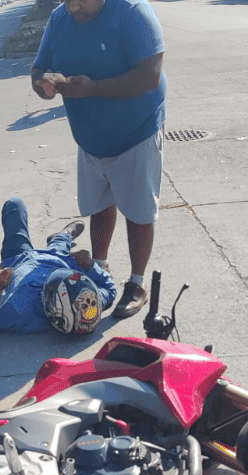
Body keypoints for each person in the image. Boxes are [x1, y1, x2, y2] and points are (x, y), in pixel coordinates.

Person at [30, 0, 166, 320]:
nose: (73, 6)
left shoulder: (132, 13)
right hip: (90, 140)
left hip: (137, 131)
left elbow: (149, 76)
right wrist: (44, 85)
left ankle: (136, 283)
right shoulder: (59, 19)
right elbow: (39, 68)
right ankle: (99, 270)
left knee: (137, 209)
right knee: (100, 204)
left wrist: (92, 89)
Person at [0, 197, 116, 333]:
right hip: (58, 257)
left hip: (17, 259)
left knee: (14, 204)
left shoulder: (20, 310)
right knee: (59, 245)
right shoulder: (90, 304)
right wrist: (90, 266)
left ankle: (61, 237)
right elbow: (110, 290)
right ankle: (64, 235)